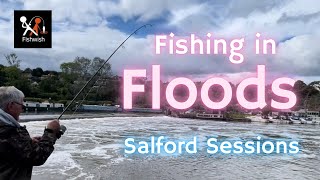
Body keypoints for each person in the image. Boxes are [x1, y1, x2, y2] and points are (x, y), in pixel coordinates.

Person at [0, 86, 62, 180]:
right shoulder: (9, 131)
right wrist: (50, 132)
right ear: (11, 105)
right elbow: (37, 157)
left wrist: (27, 142)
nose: (22, 109)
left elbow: (9, 148)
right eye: (22, 106)